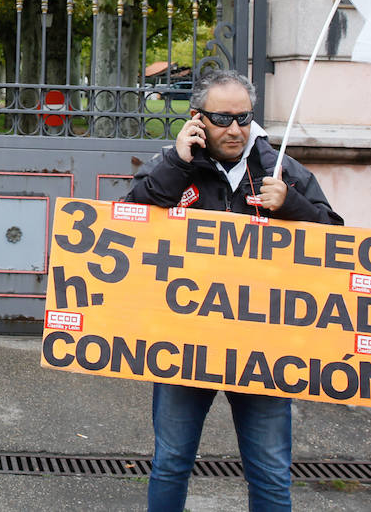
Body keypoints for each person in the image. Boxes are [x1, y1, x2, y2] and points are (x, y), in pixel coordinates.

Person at [125, 69, 342, 512]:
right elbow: (128, 220)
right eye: (222, 119)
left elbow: (337, 242)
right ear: (196, 118)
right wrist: (178, 165)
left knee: (270, 469)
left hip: (264, 346)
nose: (235, 129)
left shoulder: (280, 169)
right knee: (171, 462)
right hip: (185, 343)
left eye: (244, 118)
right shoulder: (173, 163)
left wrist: (293, 204)